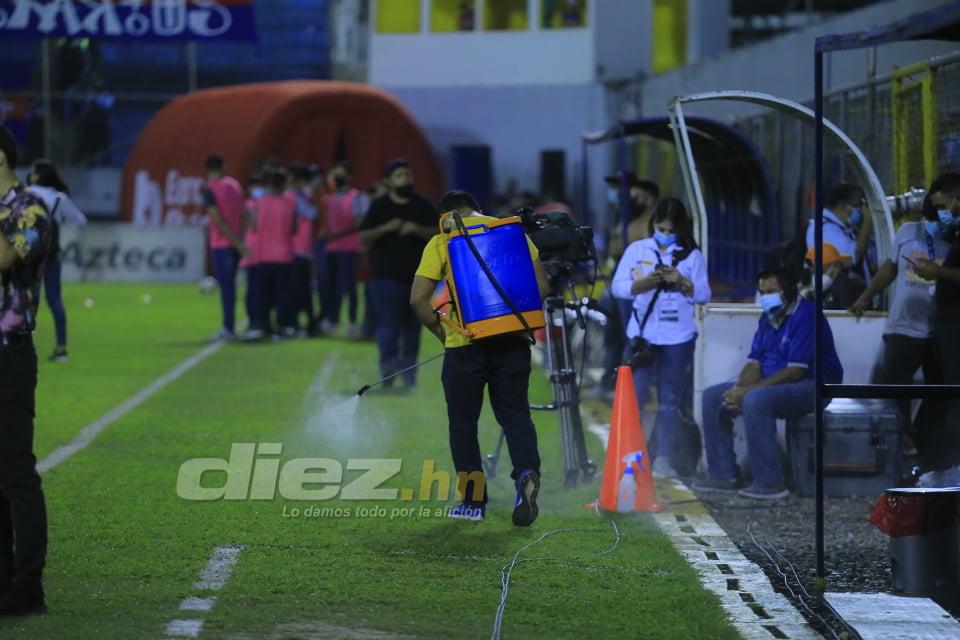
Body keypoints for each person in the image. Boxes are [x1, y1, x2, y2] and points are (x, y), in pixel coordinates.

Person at [410, 190, 550, 523]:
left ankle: (473, 503)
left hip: (465, 347)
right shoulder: (510, 231)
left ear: (444, 215)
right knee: (516, 415)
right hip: (513, 341)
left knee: (463, 425)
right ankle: (526, 473)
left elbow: (418, 299)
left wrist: (446, 333)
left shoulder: (442, 239)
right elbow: (541, 286)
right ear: (476, 208)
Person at [693, 269, 844, 499]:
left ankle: (770, 482)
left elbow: (795, 371)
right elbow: (755, 363)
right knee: (713, 397)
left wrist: (746, 393)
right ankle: (723, 474)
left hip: (814, 385)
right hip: (778, 384)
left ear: (787, 291)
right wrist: (735, 391)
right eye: (762, 292)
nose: (765, 296)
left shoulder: (806, 315)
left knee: (755, 400)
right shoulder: (767, 318)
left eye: (771, 291)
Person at [848, 187, 950, 461]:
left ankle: (926, 446)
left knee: (940, 391)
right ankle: (899, 447)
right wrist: (865, 296)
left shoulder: (952, 238)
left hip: (937, 329)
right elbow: (889, 269)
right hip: (902, 328)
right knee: (895, 390)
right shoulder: (907, 232)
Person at [611, 198, 711, 477]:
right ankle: (627, 458)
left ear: (681, 228)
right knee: (634, 398)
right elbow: (618, 287)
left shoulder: (692, 255)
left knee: (669, 400)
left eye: (670, 229)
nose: (665, 234)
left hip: (678, 337)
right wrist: (641, 284)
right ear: (652, 224)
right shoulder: (637, 249)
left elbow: (704, 294)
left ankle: (662, 458)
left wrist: (683, 282)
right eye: (660, 228)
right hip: (642, 336)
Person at [0, 124, 52, 616]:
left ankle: (27, 583)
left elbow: (4, 257)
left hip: (8, 354)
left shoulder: (28, 208)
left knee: (15, 471)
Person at [359, 159, 437, 388]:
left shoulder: (422, 205)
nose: (406, 179)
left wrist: (416, 229)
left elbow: (438, 233)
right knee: (387, 328)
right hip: (384, 279)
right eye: (401, 175)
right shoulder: (380, 206)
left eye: (409, 175)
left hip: (418, 280)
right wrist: (386, 228)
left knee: (413, 329)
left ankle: (409, 376)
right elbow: (363, 237)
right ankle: (388, 372)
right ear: (389, 181)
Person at [911, 172, 960, 477]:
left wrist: (937, 272)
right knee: (942, 393)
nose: (947, 212)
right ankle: (941, 461)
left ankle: (949, 464)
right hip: (947, 323)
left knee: (953, 395)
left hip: (956, 323)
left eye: (947, 204)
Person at [25, 159, 86, 362]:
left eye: (32, 172)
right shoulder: (59, 198)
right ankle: (61, 349)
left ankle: (23, 349)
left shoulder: (26, 193)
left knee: (26, 302)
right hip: (51, 256)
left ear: (38, 176)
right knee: (55, 301)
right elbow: (80, 220)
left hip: (29, 258)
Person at [321, 161, 370, 338]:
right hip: (331, 248)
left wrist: (336, 234)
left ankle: (351, 321)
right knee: (329, 285)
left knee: (349, 286)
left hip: (348, 247)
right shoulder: (329, 198)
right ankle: (331, 319)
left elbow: (358, 222)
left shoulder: (356, 196)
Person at [202, 154, 248, 341]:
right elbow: (245, 214)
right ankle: (232, 326)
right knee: (231, 287)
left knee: (227, 288)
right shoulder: (235, 186)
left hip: (222, 244)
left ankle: (228, 328)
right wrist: (241, 240)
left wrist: (235, 242)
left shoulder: (209, 189)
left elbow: (216, 219)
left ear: (207, 169)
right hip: (236, 242)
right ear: (223, 167)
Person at [804, 183, 872, 307]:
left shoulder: (842, 228)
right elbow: (853, 257)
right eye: (859, 205)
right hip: (837, 301)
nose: (861, 210)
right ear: (843, 206)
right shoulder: (823, 229)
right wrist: (868, 221)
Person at [253, 170, 297, 338]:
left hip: (264, 255)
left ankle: (262, 325)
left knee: (263, 294)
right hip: (284, 255)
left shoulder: (260, 203)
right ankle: (282, 325)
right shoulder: (289, 204)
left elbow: (255, 226)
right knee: (282, 294)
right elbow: (293, 228)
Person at [289, 165, 318, 335]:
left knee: (304, 288)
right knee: (298, 289)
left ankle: (307, 323)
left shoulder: (302, 196)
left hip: (304, 249)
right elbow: (311, 214)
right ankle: (297, 323)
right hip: (295, 249)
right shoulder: (293, 197)